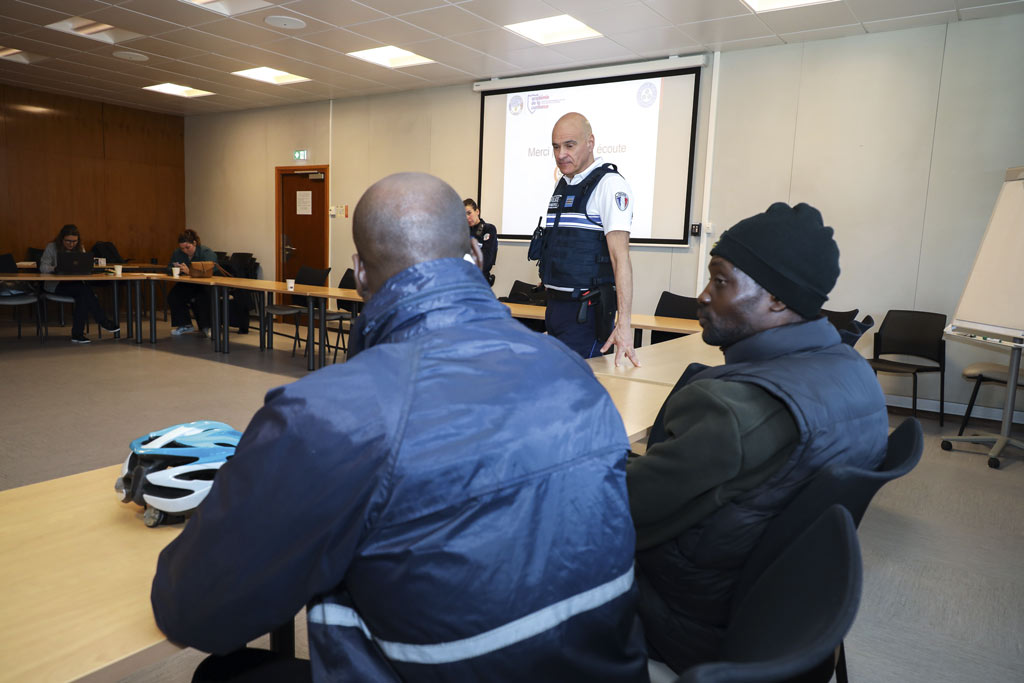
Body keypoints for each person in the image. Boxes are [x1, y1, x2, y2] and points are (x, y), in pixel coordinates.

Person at [151, 172, 647, 682]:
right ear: (476, 258)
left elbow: (190, 611)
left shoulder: (328, 415)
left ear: (360, 275)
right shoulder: (575, 375)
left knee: (219, 673)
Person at [626, 202, 889, 673]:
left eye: (720, 280)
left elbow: (622, 505)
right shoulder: (855, 373)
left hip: (683, 618)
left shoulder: (733, 409)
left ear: (778, 299)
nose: (702, 296)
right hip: (777, 610)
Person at [533, 112, 638, 367]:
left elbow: (619, 257)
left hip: (585, 314)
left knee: (580, 394)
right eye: (556, 147)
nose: (561, 154)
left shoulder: (609, 185)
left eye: (570, 145)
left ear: (590, 142)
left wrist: (623, 323)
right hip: (556, 311)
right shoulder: (563, 185)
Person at [38, 224, 120, 344]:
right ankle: (102, 321)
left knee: (83, 294)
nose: (71, 244)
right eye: (68, 241)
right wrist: (54, 268)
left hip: (76, 283)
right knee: (84, 292)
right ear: (61, 239)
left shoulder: (80, 247)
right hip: (56, 284)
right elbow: (43, 267)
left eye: (74, 241)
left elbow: (84, 265)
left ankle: (78, 334)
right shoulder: (51, 247)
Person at [167, 229, 223, 337]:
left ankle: (208, 326)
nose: (185, 251)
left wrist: (191, 272)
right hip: (189, 284)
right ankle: (185, 325)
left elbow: (211, 270)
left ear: (194, 243)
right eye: (182, 248)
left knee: (202, 297)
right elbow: (168, 268)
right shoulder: (177, 253)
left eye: (187, 247)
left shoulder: (206, 252)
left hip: (207, 284)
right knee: (173, 296)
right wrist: (175, 269)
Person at [464, 198, 497, 284]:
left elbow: (486, 261)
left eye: (469, 213)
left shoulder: (488, 229)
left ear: (477, 211)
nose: (467, 217)